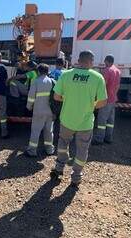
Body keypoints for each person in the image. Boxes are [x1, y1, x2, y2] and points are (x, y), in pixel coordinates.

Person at [50, 50, 107, 187]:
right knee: (82, 150)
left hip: (67, 119)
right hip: (85, 123)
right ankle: (76, 177)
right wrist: (91, 105)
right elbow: (103, 102)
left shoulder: (66, 75)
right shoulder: (98, 77)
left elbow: (56, 97)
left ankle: (59, 168)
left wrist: (68, 99)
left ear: (78, 60)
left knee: (63, 143)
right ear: (91, 62)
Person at [24, 64, 56, 157]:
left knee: (35, 131)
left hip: (38, 110)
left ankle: (32, 151)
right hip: (50, 111)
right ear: (47, 72)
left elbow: (31, 96)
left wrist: (29, 106)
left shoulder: (36, 81)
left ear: (38, 71)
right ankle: (49, 150)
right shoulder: (52, 81)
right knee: (49, 131)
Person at [92, 55, 121, 145]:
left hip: (106, 99)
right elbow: (118, 85)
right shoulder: (117, 71)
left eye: (105, 62)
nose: (104, 63)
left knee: (102, 120)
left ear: (107, 61)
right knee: (110, 121)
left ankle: (99, 139)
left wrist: (96, 96)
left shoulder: (107, 70)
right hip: (113, 98)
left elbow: (103, 85)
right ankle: (108, 138)